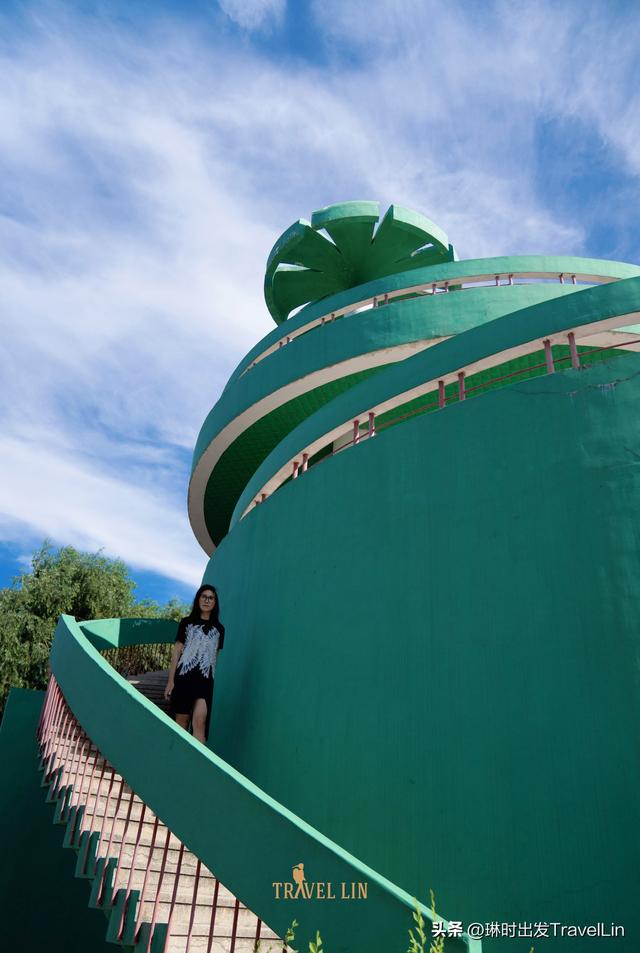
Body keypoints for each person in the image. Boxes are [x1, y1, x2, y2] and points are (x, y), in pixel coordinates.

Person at [164, 584, 225, 742]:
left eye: (211, 598)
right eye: (203, 596)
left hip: (205, 683)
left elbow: (214, 658)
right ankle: (179, 760)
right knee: (181, 722)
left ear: (215, 603)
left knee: (200, 721)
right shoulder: (186, 623)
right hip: (184, 679)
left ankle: (196, 764)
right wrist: (171, 681)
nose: (207, 600)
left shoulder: (220, 629)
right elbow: (177, 652)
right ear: (198, 599)